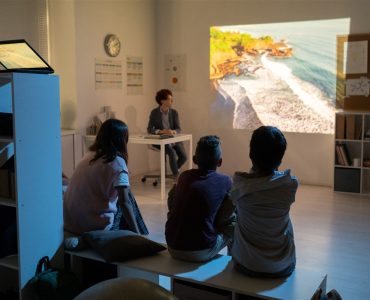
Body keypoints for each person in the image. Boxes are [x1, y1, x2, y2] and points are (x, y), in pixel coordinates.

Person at [230, 126, 298, 278]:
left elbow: (255, 181)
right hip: (282, 267)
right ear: (280, 158)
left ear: (251, 155)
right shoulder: (290, 184)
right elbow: (268, 181)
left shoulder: (239, 185)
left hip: (245, 265)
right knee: (286, 217)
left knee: (236, 213)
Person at [63, 119, 148, 236]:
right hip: (93, 227)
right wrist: (136, 233)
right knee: (127, 196)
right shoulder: (118, 163)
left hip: (70, 223)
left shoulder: (89, 155)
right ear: (122, 139)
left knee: (122, 191)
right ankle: (140, 236)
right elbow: (125, 203)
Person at [165, 135, 235, 262]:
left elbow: (171, 199)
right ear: (220, 162)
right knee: (235, 224)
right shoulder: (225, 181)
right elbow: (229, 213)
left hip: (172, 246)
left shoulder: (184, 177)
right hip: (201, 250)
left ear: (194, 159)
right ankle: (233, 265)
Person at [147, 89, 187, 177]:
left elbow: (178, 128)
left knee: (184, 157)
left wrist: (173, 131)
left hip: (173, 139)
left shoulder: (174, 112)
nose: (172, 101)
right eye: (169, 99)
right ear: (162, 101)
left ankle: (174, 170)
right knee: (171, 152)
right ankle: (176, 176)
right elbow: (149, 129)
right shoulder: (154, 112)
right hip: (161, 140)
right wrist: (161, 131)